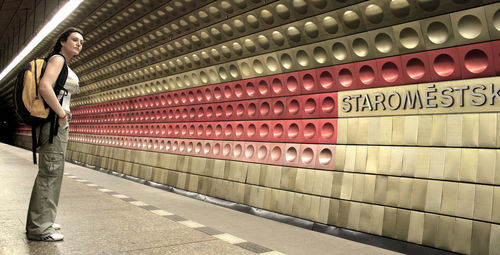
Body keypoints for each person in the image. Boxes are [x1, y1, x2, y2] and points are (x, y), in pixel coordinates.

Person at [26, 27, 84, 242]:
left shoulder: (62, 62)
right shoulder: (58, 60)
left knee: (50, 173)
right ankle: (40, 228)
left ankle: (41, 220)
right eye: (75, 39)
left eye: (81, 42)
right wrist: (61, 113)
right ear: (62, 41)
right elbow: (44, 87)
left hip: (54, 123)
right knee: (50, 173)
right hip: (53, 124)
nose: (79, 44)